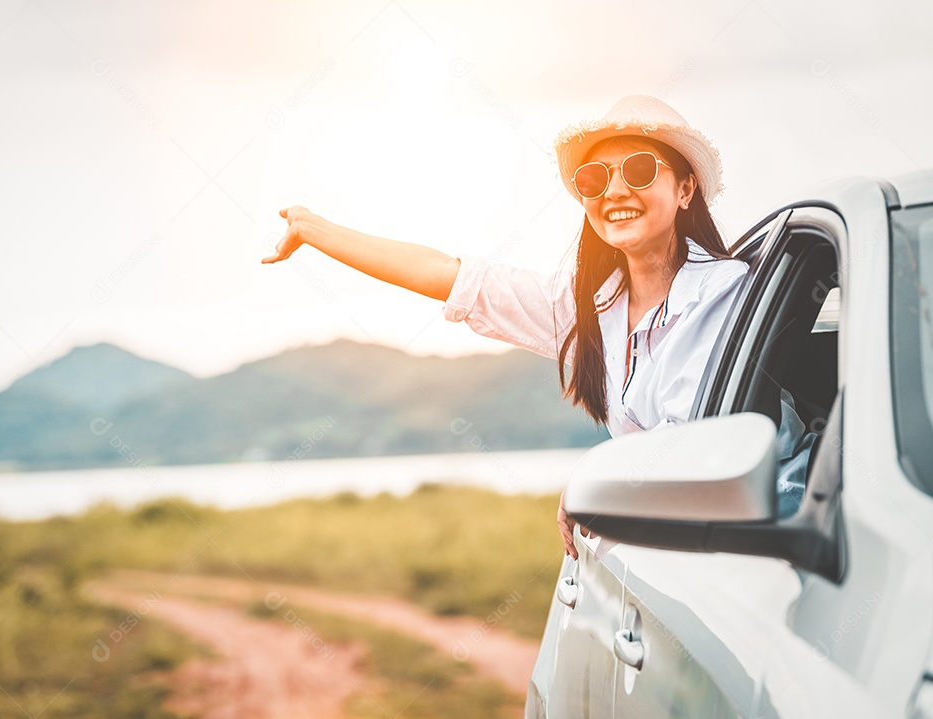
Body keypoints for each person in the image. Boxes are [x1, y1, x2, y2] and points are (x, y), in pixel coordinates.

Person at [264, 95, 809, 559]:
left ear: (685, 190)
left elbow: (693, 445)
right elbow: (449, 276)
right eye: (595, 178)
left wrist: (596, 477)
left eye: (640, 170)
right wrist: (317, 230)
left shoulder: (726, 292)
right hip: (696, 550)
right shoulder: (588, 309)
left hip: (783, 540)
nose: (615, 191)